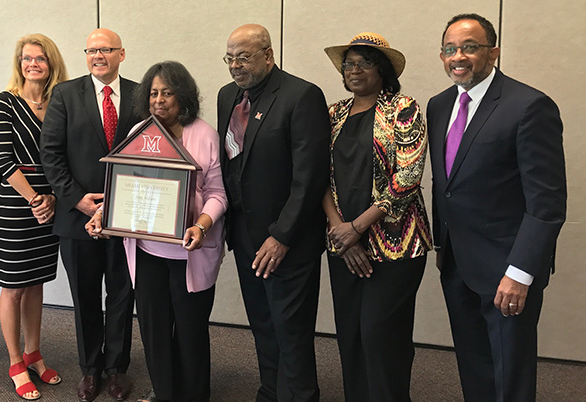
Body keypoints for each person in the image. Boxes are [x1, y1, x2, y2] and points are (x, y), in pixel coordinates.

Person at [427, 13, 566, 401]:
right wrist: (442, 247)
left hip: (507, 268)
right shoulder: (439, 106)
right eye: (450, 49)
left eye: (470, 47)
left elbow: (547, 203)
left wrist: (520, 273)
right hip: (456, 263)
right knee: (474, 365)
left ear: (494, 52)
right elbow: (448, 187)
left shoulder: (529, 106)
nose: (459, 56)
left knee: (510, 374)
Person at [86, 61, 228, 402]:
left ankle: (194, 395)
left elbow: (218, 194)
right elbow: (126, 186)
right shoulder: (139, 132)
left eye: (167, 92)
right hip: (148, 253)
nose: (159, 100)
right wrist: (103, 215)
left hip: (190, 253)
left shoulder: (204, 134)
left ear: (183, 96)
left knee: (191, 332)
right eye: (153, 93)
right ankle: (165, 392)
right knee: (154, 331)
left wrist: (201, 225)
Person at [217, 24, 331, 402]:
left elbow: (309, 178)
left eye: (244, 57)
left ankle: (299, 395)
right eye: (230, 57)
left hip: (288, 240)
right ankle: (271, 392)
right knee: (263, 325)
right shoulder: (226, 97)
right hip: (246, 236)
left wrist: (281, 235)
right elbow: (232, 165)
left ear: (268, 55)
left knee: (291, 330)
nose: (236, 65)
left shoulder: (302, 96)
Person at [322, 33, 432, 401]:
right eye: (349, 63)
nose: (354, 70)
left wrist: (357, 227)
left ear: (382, 70)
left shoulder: (404, 108)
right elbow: (316, 174)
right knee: (351, 333)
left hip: (397, 244)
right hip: (343, 243)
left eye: (364, 63)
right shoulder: (333, 114)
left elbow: (407, 178)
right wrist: (340, 230)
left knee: (381, 334)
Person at [40, 28, 139, 402]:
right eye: (92, 50)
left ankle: (117, 369)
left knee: (121, 294)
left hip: (126, 217)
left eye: (106, 49)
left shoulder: (140, 93)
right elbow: (50, 154)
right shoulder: (66, 94)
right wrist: (78, 199)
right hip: (78, 218)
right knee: (84, 296)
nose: (98, 55)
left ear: (121, 54)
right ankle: (90, 370)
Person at [0, 33, 68, 401]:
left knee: (36, 283)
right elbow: (3, 161)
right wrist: (36, 198)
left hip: (51, 202)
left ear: (51, 63)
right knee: (13, 287)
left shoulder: (60, 102)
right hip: (15, 206)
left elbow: (62, 157)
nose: (32, 64)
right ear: (18, 63)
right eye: (26, 58)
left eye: (40, 58)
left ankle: (34, 353)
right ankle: (14, 362)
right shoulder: (4, 103)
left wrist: (52, 197)